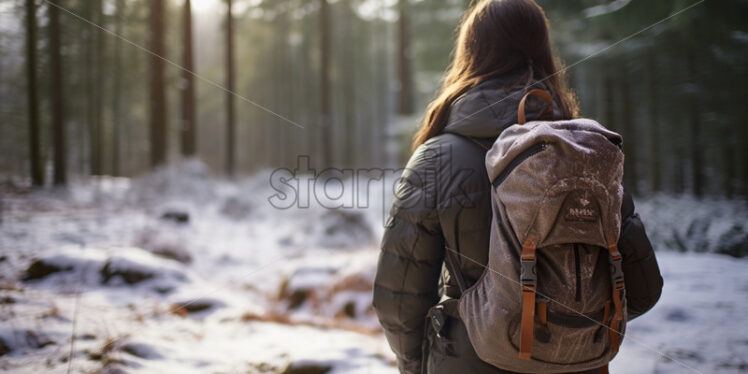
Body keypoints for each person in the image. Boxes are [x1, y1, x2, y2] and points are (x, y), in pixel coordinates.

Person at [371, 1, 663, 373]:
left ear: (471, 53)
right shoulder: (588, 153)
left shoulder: (439, 156)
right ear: (543, 51)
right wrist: (569, 333)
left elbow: (398, 300)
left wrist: (418, 364)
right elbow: (643, 288)